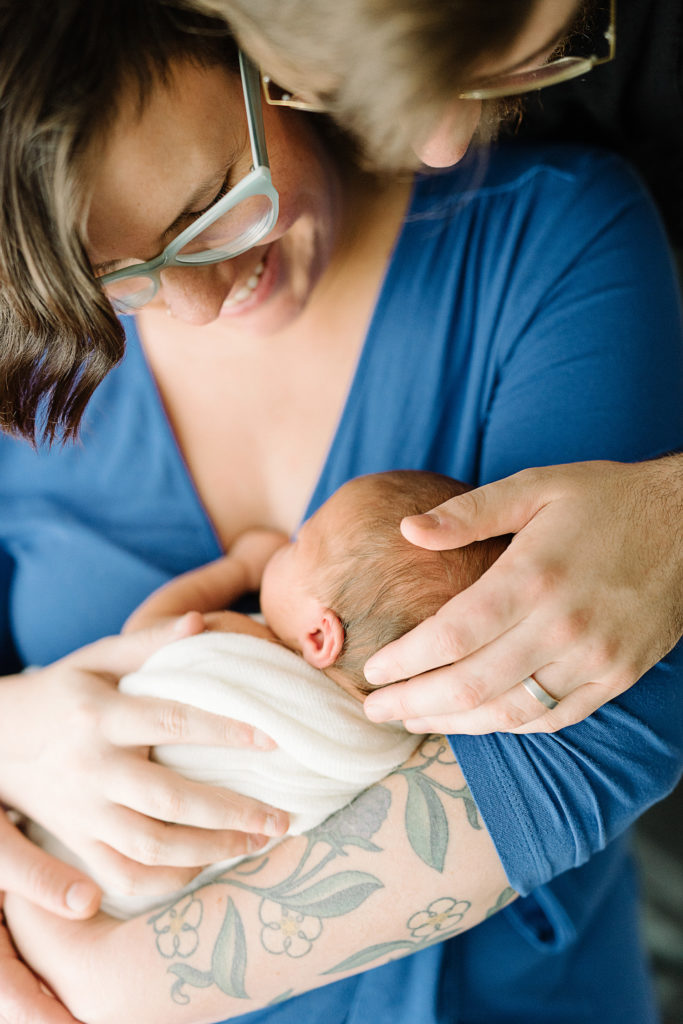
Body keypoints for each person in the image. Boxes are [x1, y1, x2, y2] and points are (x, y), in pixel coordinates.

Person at [0, 2, 681, 1023]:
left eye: (217, 202)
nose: (199, 298)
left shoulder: (545, 243)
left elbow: (590, 712)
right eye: (120, 281)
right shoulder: (34, 362)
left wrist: (127, 985)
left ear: (246, 41)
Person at [186, 0, 683, 743]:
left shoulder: (555, 229)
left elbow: (592, 744)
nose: (440, 147)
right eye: (332, 87)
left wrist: (667, 506)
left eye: (552, 46)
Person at [29, 470, 504, 919]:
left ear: (320, 637)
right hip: (139, 896)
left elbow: (147, 633)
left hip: (53, 825)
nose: (285, 545)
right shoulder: (392, 741)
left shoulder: (237, 642)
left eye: (298, 547)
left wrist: (240, 569)